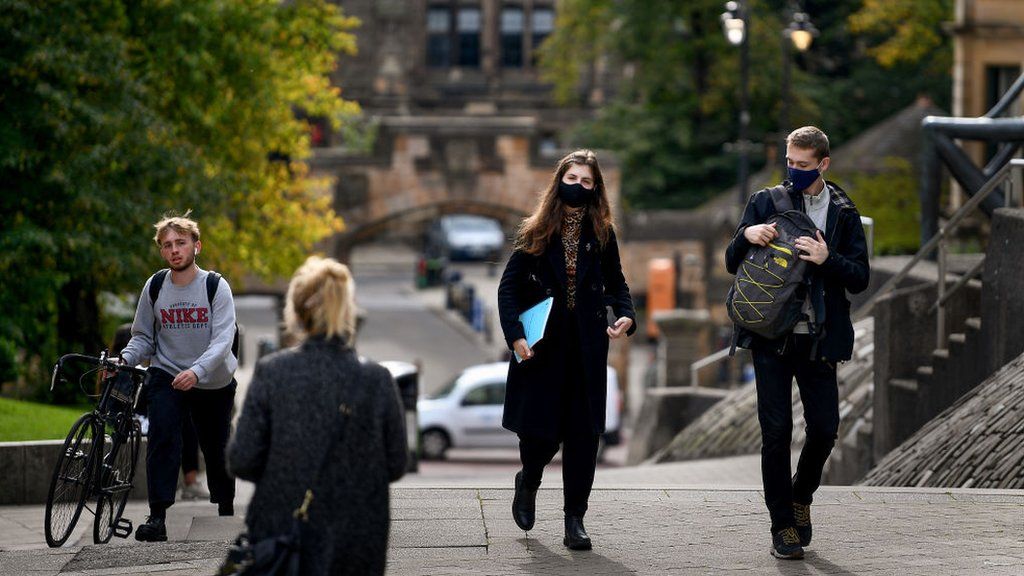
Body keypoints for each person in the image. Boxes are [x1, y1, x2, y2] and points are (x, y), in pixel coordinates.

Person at [725, 126, 870, 560]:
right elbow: (732, 261)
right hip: (769, 334)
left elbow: (860, 277)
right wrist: (746, 235)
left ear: (823, 164)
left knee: (825, 429)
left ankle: (800, 497)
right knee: (776, 433)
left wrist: (829, 260)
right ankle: (782, 526)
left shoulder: (843, 211)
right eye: (790, 163)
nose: (795, 172)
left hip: (818, 338)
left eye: (804, 166)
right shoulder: (766, 201)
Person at [228, 257, 407, 576]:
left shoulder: (273, 372)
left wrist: (287, 471)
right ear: (348, 311)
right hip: (357, 533)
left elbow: (242, 458)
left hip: (283, 526)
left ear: (296, 311)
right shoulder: (377, 380)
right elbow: (395, 463)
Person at [498, 149, 636, 551]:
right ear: (560, 181)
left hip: (587, 349)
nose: (578, 186)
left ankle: (574, 518)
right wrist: (515, 335)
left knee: (583, 436)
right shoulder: (535, 231)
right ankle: (530, 479)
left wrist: (626, 313)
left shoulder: (604, 233)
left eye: (587, 181)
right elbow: (509, 288)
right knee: (539, 434)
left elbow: (618, 283)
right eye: (572, 178)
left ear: (597, 189)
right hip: (543, 348)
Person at [118, 213, 238, 542]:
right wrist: (125, 358)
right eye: (167, 245)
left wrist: (197, 371)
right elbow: (142, 336)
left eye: (181, 243)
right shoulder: (155, 286)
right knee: (163, 438)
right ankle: (157, 517)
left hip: (212, 380)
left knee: (216, 447)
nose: (174, 250)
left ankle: (225, 505)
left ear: (196, 247)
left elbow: (223, 341)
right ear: (162, 251)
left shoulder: (215, 286)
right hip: (168, 373)